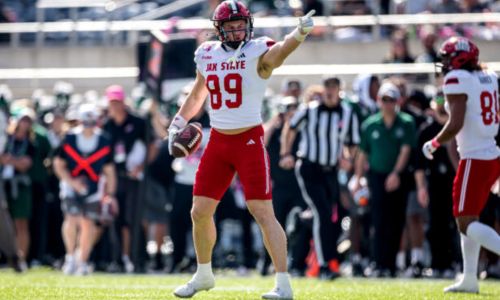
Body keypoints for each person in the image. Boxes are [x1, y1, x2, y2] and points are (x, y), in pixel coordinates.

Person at [168, 1, 315, 299]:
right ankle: (204, 274)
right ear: (218, 29)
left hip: (248, 140)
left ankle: (283, 283)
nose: (236, 30)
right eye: (230, 26)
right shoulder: (206, 54)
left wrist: (297, 35)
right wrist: (179, 121)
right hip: (219, 141)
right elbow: (199, 92)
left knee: (262, 211)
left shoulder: (256, 51)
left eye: (240, 24)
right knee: (199, 211)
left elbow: (278, 54)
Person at [422, 36, 500, 293]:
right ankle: (469, 278)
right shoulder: (489, 76)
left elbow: (455, 123)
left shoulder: (458, 79)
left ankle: (470, 276)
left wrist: (434, 142)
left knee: (465, 222)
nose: (443, 63)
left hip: (475, 157)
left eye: (446, 58)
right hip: (489, 153)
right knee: (471, 218)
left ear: (459, 59)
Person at [280, 77, 360, 280]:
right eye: (328, 87)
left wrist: (348, 159)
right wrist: (286, 153)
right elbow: (290, 127)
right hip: (309, 167)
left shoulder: (347, 112)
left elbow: (352, 142)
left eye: (334, 87)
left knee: (329, 216)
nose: (331, 91)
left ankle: (325, 261)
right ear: (324, 90)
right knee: (322, 213)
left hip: (331, 170)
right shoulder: (310, 110)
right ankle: (324, 265)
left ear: (339, 89)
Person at [353, 82, 416, 277]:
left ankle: (391, 264)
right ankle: (378, 263)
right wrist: (358, 178)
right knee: (378, 221)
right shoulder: (370, 124)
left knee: (396, 221)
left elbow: (405, 151)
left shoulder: (406, 122)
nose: (387, 104)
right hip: (377, 177)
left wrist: (396, 173)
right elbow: (362, 154)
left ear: (397, 101)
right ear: (378, 101)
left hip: (399, 177)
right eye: (384, 99)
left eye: (391, 100)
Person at [54, 104, 117, 275]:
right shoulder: (69, 138)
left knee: (88, 223)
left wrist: (110, 194)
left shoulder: (104, 140)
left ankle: (82, 260)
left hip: (94, 187)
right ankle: (70, 257)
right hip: (70, 184)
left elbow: (109, 170)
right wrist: (72, 182)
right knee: (71, 218)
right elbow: (59, 165)